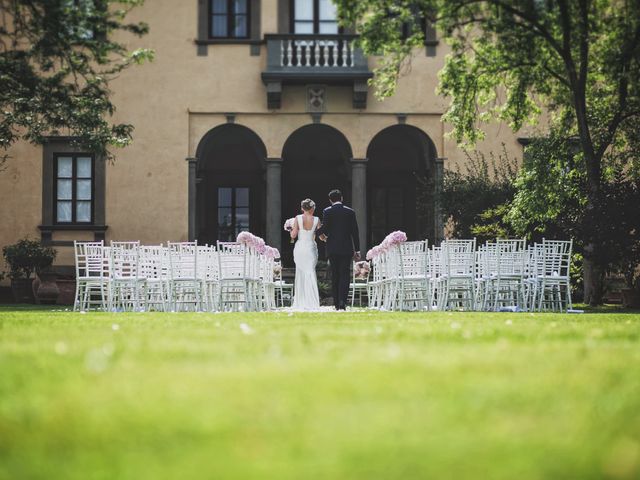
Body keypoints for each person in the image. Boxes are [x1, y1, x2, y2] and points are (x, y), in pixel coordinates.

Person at [317, 189, 360, 310]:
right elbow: (354, 232)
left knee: (335, 275)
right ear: (341, 198)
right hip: (346, 248)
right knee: (345, 275)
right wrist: (357, 250)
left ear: (330, 200)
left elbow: (324, 229)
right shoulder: (350, 212)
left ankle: (336, 303)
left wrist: (314, 231)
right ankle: (342, 302)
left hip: (332, 248)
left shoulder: (327, 211)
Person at [290, 198, 321, 310]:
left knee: (301, 272)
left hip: (300, 248)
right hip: (310, 248)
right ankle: (312, 301)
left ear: (302, 208)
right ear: (312, 208)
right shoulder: (317, 219)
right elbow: (321, 236)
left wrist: (290, 229)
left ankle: (301, 301)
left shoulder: (297, 218)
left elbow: (293, 235)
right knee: (311, 272)